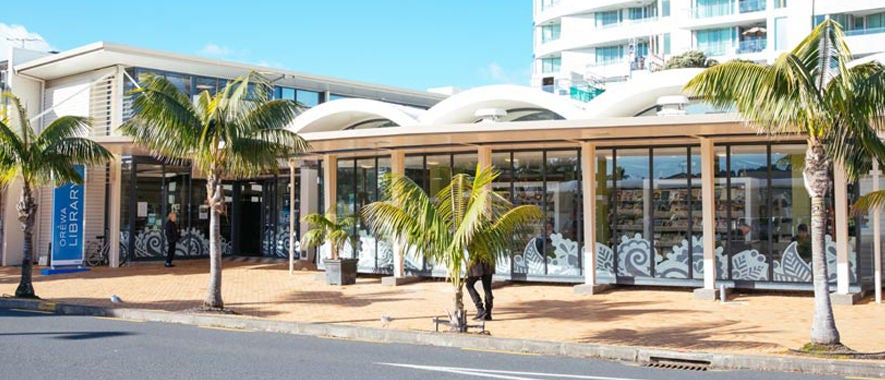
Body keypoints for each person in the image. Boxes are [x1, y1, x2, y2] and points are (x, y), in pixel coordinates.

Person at [466, 256, 495, 321]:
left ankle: (480, 309)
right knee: (487, 288)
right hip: (488, 260)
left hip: (477, 261)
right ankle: (488, 313)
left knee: (469, 285)